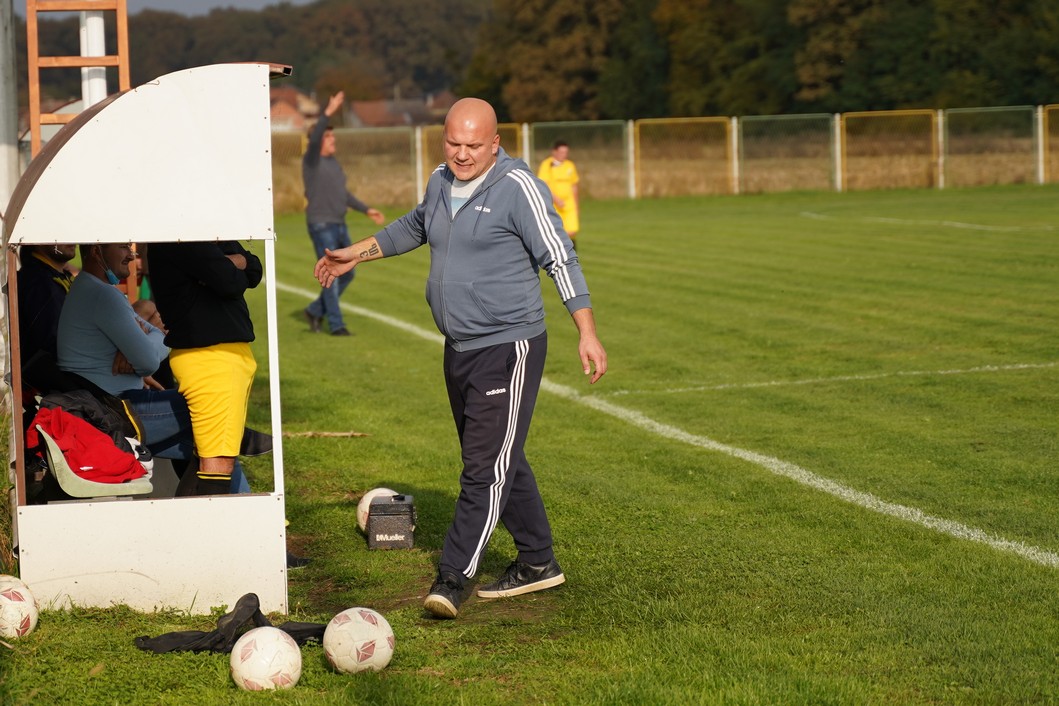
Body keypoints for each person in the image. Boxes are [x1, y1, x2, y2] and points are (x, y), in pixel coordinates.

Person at [314, 97, 607, 619]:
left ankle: (452, 577)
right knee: (501, 458)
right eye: (454, 143)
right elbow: (415, 226)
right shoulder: (439, 181)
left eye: (474, 145)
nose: (463, 154)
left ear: (496, 142)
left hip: (509, 345)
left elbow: (560, 257)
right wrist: (352, 253)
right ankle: (539, 562)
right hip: (460, 348)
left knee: (482, 469)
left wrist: (586, 330)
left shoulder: (519, 188)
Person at [56, 243, 252, 493]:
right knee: (214, 413)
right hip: (112, 411)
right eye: (123, 247)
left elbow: (151, 344)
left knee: (210, 442)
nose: (131, 254)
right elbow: (152, 355)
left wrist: (143, 344)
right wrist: (152, 339)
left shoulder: (94, 288)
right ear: (96, 252)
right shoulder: (102, 294)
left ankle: (231, 505)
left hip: (110, 405)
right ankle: (246, 447)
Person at [148, 240, 262, 496]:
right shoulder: (182, 235)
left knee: (204, 461)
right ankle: (208, 534)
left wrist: (236, 262)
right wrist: (230, 266)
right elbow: (230, 283)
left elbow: (254, 268)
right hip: (211, 358)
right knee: (216, 466)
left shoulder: (207, 233)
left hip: (221, 357)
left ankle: (189, 531)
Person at [302, 91, 386, 337]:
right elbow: (316, 136)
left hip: (339, 224)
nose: (332, 141)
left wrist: (366, 209)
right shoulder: (312, 161)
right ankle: (336, 325)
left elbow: (344, 194)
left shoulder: (333, 163)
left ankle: (315, 310)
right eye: (329, 137)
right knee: (330, 273)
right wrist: (328, 112)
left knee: (348, 272)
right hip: (321, 225)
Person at [17, 243, 77, 391]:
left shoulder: (58, 275)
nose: (71, 239)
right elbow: (50, 343)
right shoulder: (38, 281)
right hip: (55, 384)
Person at [537, 140, 580, 246]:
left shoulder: (570, 165)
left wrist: (576, 205)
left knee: (572, 231)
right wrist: (556, 199)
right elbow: (544, 185)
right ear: (554, 152)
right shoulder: (547, 165)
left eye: (566, 152)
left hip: (569, 204)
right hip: (554, 204)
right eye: (561, 152)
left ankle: (571, 257)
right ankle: (560, 256)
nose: (564, 155)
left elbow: (574, 185)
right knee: (558, 232)